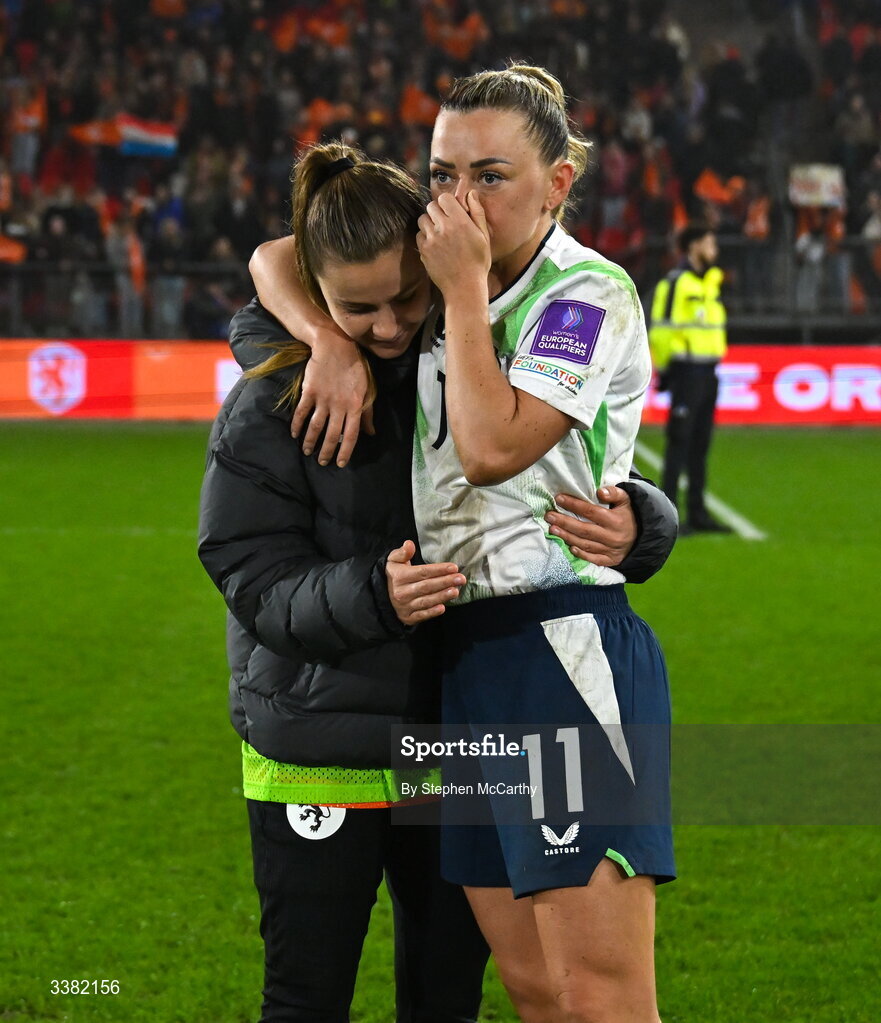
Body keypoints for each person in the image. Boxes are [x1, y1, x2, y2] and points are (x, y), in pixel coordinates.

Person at [200, 140, 677, 1023]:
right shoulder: (271, 397)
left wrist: (642, 519)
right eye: (355, 309)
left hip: (456, 738)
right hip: (319, 744)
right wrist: (370, 594)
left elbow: (556, 465)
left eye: (404, 300)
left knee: (447, 996)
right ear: (317, 291)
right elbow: (250, 575)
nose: (384, 326)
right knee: (305, 1000)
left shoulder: (464, 352)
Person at [649, 223, 731, 534]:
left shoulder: (711, 282)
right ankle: (670, 516)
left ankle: (697, 513)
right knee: (679, 442)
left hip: (709, 371)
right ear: (694, 245)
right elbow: (661, 329)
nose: (715, 250)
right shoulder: (675, 283)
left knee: (700, 444)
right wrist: (668, 370)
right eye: (710, 242)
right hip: (686, 371)